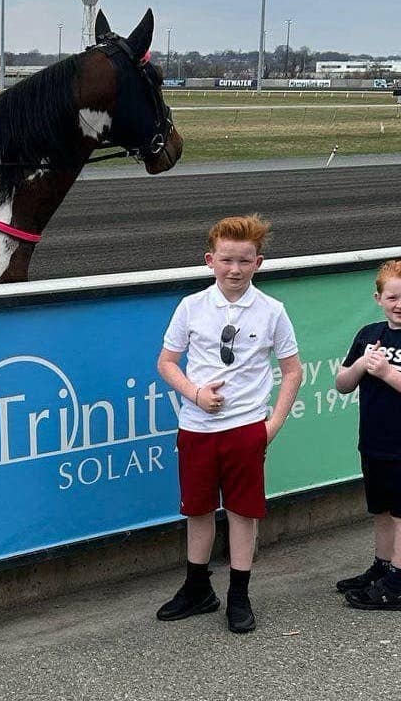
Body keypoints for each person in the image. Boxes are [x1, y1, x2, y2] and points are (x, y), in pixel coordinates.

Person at [155, 214, 303, 634]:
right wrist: (195, 393)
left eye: (244, 261)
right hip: (197, 428)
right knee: (197, 509)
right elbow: (166, 363)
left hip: (245, 429)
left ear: (258, 262)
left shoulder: (273, 311)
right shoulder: (192, 306)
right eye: (226, 260)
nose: (234, 269)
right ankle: (197, 587)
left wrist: (271, 424)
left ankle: (239, 592)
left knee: (243, 511)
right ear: (210, 260)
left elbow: (292, 370)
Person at [333, 259, 401, 611]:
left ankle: (397, 585)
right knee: (381, 512)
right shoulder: (368, 335)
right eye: (393, 297)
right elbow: (342, 384)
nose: (400, 304)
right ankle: (382, 569)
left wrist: (386, 372)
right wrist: (360, 366)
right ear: (378, 298)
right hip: (373, 442)